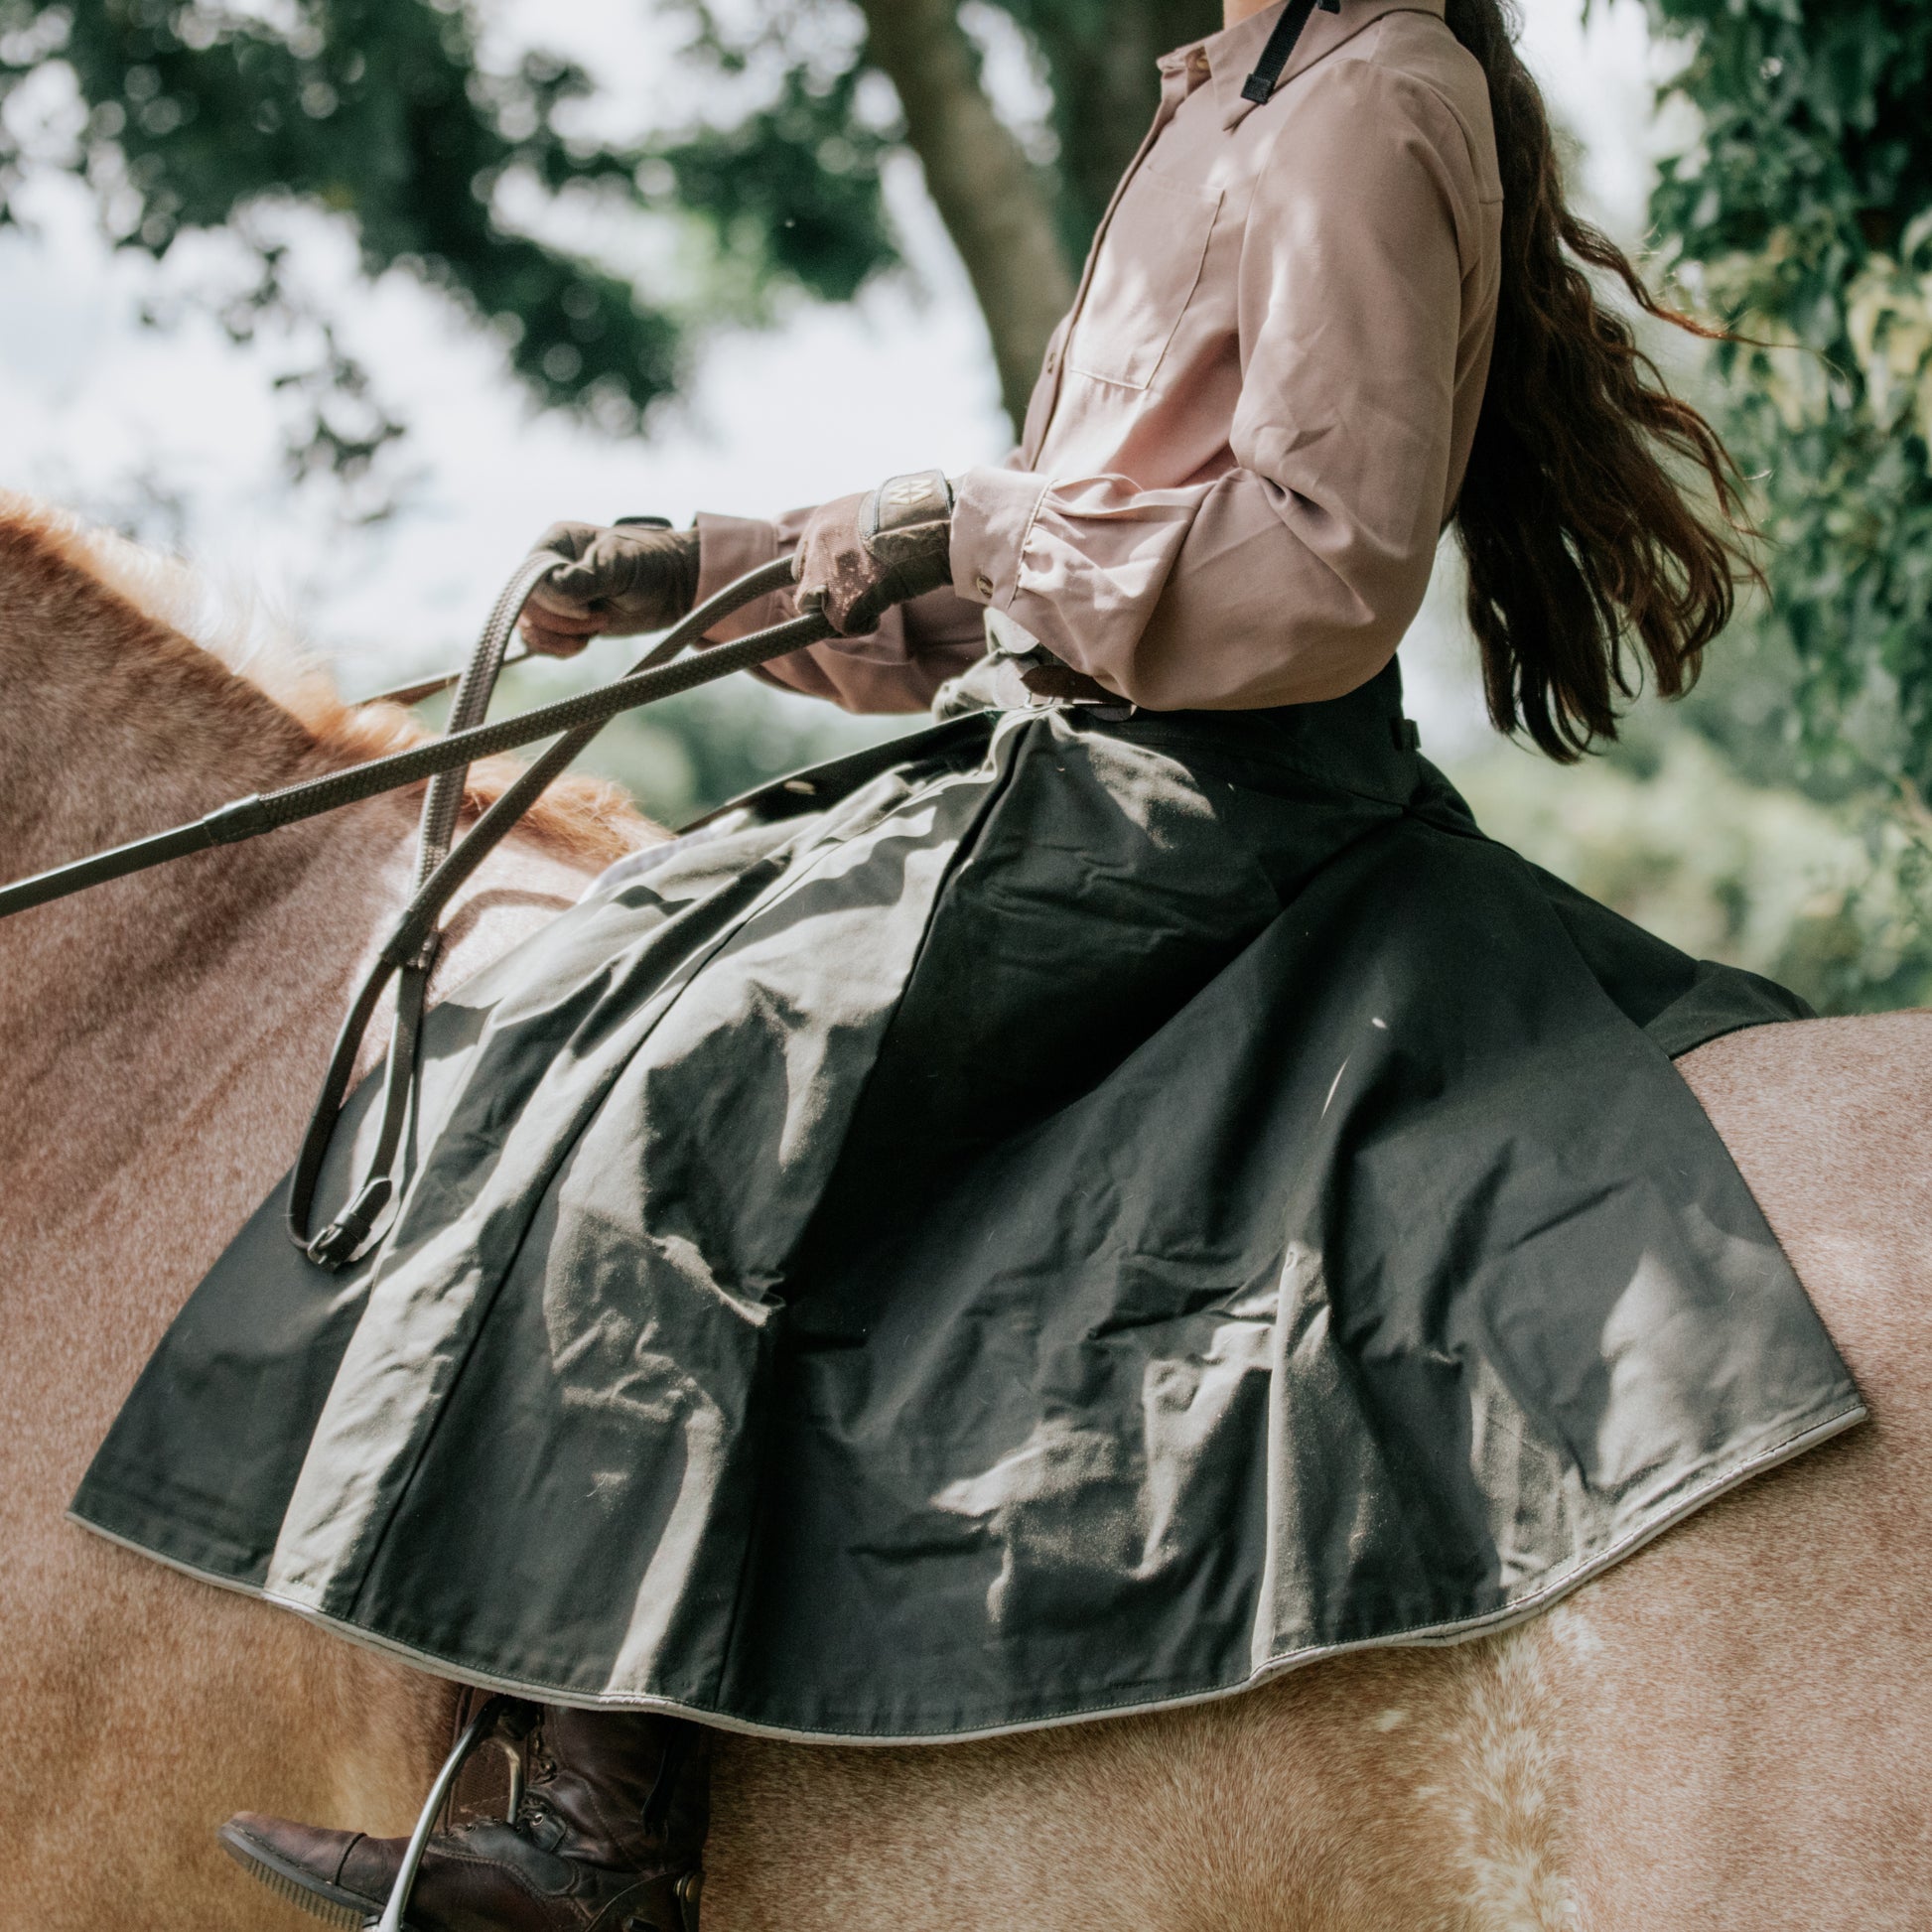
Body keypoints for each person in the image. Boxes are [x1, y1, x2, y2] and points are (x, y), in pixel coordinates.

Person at [71, 0, 1863, 1928]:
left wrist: (971, 520)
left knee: (701, 1076)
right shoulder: (1222, 101)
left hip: (1199, 797)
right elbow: (1068, 571)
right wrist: (731, 569)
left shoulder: (1372, 103)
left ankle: (604, 1845)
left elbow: (1313, 576)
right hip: (1072, 751)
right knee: (601, 978)